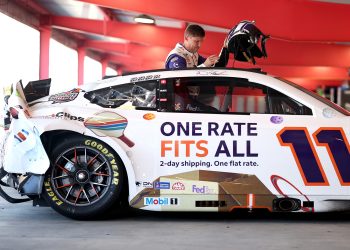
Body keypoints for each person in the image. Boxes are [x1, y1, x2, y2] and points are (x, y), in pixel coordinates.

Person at [165, 24, 229, 69]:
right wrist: (204, 65)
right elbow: (180, 79)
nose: (199, 45)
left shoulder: (194, 54)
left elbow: (217, 66)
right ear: (186, 38)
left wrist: (225, 49)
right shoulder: (176, 57)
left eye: (201, 41)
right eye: (196, 41)